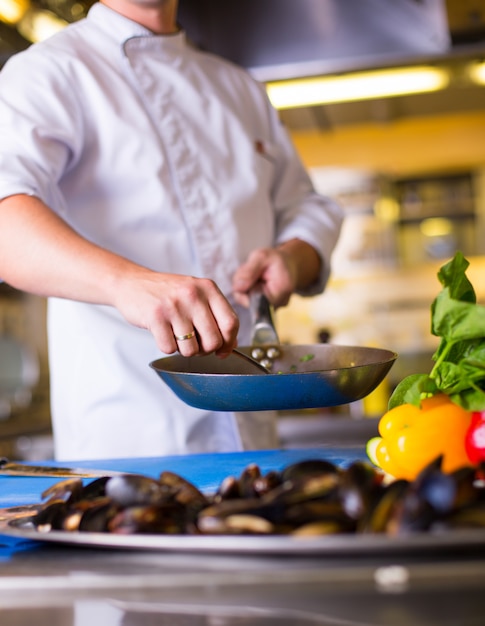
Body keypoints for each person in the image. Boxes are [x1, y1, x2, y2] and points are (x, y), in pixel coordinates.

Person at [0, 0, 343, 461]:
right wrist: (126, 283)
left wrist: (293, 256)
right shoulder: (48, 72)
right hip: (126, 446)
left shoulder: (239, 88)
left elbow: (306, 206)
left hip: (254, 443)